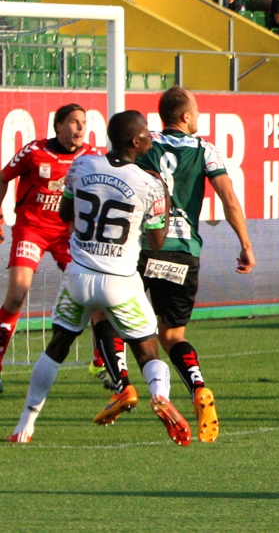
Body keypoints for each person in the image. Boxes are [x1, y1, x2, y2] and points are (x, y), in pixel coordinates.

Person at [7, 110, 192, 446]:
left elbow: (65, 214)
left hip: (78, 275)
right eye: (147, 133)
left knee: (56, 349)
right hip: (120, 279)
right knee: (149, 352)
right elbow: (157, 241)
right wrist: (162, 199)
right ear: (136, 141)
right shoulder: (149, 183)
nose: (151, 136)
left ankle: (24, 427)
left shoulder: (83, 166)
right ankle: (160, 395)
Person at [95, 88, 256, 444]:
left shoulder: (144, 143)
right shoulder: (205, 150)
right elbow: (229, 199)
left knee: (104, 315)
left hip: (141, 246)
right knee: (172, 336)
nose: (198, 117)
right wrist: (245, 244)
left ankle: (121, 385)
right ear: (184, 117)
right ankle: (198, 387)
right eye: (195, 112)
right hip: (184, 252)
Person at [0, 105, 101, 394]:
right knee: (17, 295)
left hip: (67, 235)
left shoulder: (92, 157)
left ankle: (102, 362)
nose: (81, 128)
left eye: (83, 123)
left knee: (93, 296)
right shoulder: (34, 152)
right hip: (31, 229)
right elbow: (3, 177)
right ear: (58, 126)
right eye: (74, 122)